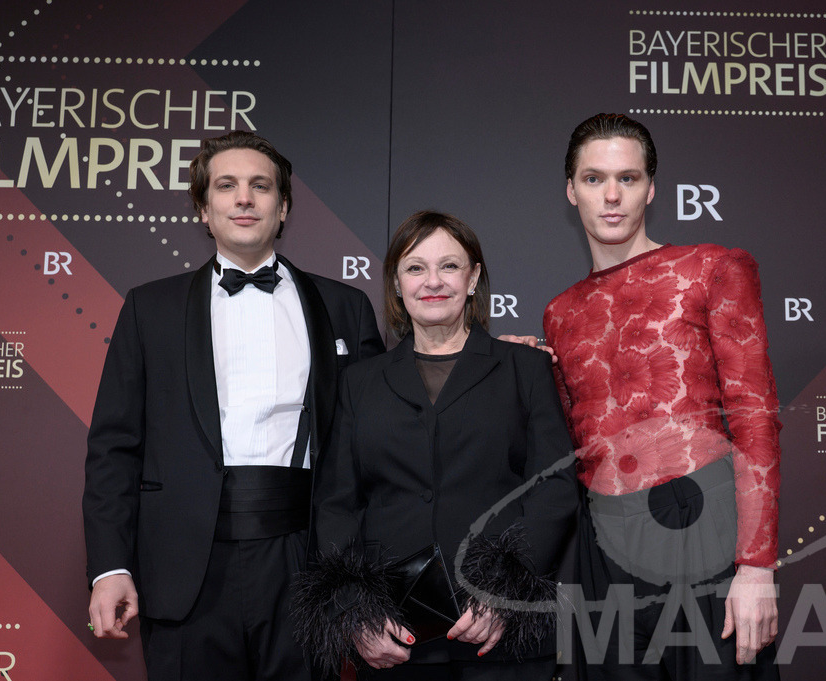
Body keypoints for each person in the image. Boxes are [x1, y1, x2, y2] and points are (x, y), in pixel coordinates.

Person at [82, 130, 384, 681]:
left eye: (260, 186)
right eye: (227, 185)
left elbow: (380, 439)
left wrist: (476, 351)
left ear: (283, 205)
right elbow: (114, 448)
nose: (244, 198)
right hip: (184, 564)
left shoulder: (346, 307)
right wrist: (109, 565)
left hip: (306, 559)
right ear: (204, 208)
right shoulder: (149, 308)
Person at [542, 114, 781, 680]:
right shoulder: (560, 312)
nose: (612, 195)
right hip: (601, 546)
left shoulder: (712, 269)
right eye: (595, 178)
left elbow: (755, 419)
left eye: (628, 178)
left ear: (651, 187)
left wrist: (757, 568)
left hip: (702, 527)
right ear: (570, 190)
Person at [294, 211, 578, 681]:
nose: (433, 282)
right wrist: (354, 612)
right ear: (397, 283)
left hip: (502, 636)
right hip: (396, 638)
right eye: (415, 267)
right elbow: (336, 505)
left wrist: (503, 591)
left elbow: (554, 489)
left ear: (473, 279)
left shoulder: (524, 368)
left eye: (449, 266)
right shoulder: (359, 383)